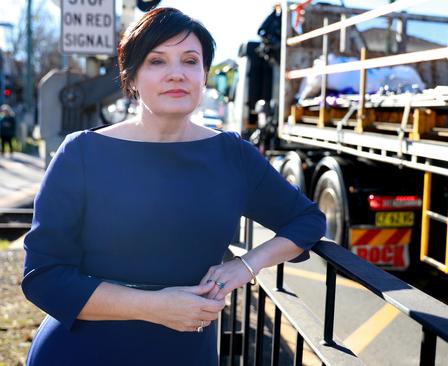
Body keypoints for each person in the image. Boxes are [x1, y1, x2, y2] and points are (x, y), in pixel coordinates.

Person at [21, 7, 326, 365]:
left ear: (205, 75)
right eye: (157, 61)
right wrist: (156, 307)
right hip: (82, 351)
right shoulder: (82, 153)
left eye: (190, 60)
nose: (176, 74)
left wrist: (245, 266)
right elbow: (43, 277)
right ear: (131, 77)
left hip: (184, 351)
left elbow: (307, 220)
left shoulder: (233, 156)